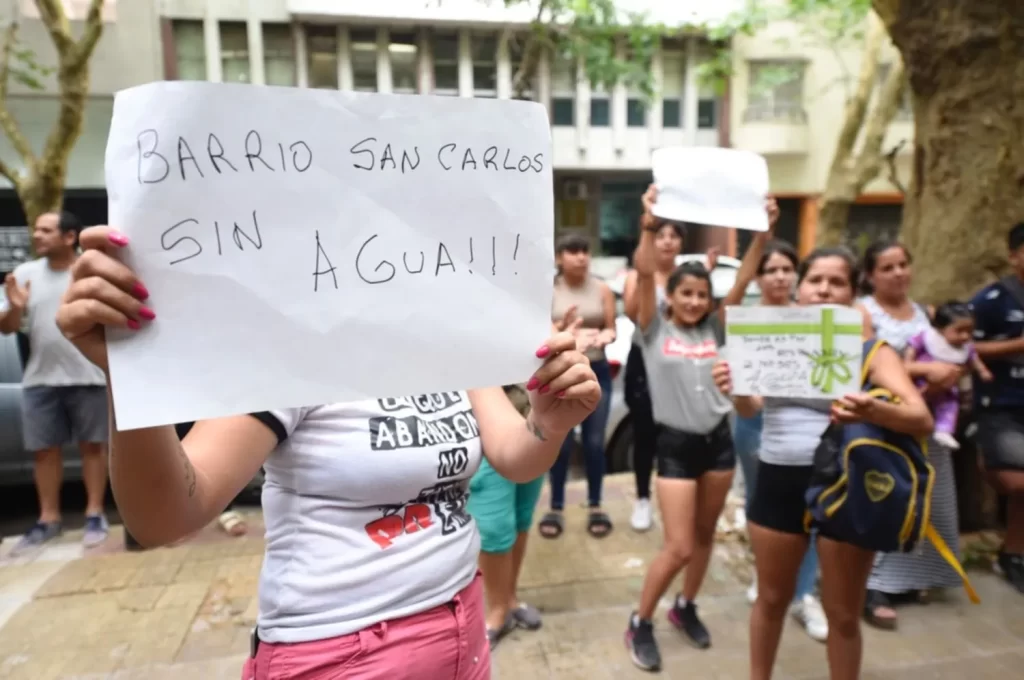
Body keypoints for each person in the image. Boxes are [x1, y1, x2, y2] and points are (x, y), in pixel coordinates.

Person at [54, 225, 601, 680]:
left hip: (462, 619)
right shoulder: (292, 349)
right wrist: (128, 379)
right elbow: (167, 516)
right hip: (339, 649)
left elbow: (513, 455)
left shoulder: (445, 338)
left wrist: (547, 426)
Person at [714, 246, 933, 680]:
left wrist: (872, 410)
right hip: (779, 476)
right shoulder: (772, 337)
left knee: (843, 613)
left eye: (837, 282)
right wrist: (735, 389)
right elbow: (749, 410)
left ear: (853, 293)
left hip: (847, 483)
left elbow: (921, 418)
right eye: (816, 280)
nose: (825, 290)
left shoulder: (871, 349)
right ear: (801, 288)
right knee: (772, 599)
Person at [624, 186, 736, 671]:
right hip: (674, 447)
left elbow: (746, 276)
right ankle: (639, 621)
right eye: (685, 293)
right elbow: (646, 272)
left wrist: (762, 236)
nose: (693, 301)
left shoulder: (713, 330)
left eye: (701, 295)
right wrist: (649, 225)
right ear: (671, 295)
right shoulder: (653, 328)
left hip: (720, 444)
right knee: (679, 546)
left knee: (706, 537)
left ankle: (685, 607)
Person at [721, 226, 827, 642]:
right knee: (760, 503)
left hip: (807, 430)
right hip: (753, 423)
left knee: (812, 507)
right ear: (759, 277)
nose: (781, 276)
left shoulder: (814, 319)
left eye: (788, 269)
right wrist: (760, 240)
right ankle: (767, 576)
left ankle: (803, 593)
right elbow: (734, 292)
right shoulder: (744, 319)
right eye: (772, 269)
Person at [857, 241, 966, 629]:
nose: (899, 273)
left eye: (903, 264)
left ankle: (912, 580)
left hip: (930, 416)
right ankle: (873, 587)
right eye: (887, 268)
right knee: (887, 496)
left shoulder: (925, 311)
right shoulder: (864, 312)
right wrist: (924, 374)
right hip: (886, 417)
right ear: (870, 275)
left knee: (925, 499)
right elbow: (869, 362)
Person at [0, 211, 110, 551]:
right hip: (40, 378)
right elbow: (6, 327)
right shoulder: (24, 274)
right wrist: (16, 307)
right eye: (36, 230)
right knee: (44, 452)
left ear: (69, 237)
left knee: (93, 446)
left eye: (46, 230)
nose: (37, 236)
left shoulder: (90, 271)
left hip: (89, 375)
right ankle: (48, 519)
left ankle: (95, 513)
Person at [538, 234, 616, 539]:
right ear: (559, 257)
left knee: (595, 443)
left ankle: (596, 503)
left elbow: (612, 326)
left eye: (584, 250)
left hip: (596, 369)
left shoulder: (602, 288)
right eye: (572, 251)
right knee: (561, 442)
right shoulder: (549, 290)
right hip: (561, 371)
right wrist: (562, 332)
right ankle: (556, 505)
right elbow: (538, 331)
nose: (580, 256)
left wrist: (605, 337)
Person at [466, 383, 545, 647]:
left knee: (522, 518)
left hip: (536, 422)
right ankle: (497, 609)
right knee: (495, 528)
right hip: (487, 428)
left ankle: (509, 598)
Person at [970, 222, 1024, 593]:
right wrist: (1015, 346)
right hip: (1000, 407)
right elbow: (963, 348)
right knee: (1016, 483)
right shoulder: (992, 300)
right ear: (1014, 255)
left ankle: (1013, 554)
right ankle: (984, 460)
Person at [622, 220, 685, 532]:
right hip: (644, 360)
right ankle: (643, 498)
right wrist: (645, 280)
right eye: (660, 235)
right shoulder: (639, 274)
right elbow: (633, 313)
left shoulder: (687, 276)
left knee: (675, 432)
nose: (667, 241)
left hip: (678, 359)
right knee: (644, 431)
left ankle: (672, 498)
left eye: (674, 236)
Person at [904, 301, 992, 450]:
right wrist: (909, 364)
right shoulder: (927, 337)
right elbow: (911, 350)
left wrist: (983, 371)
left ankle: (944, 431)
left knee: (951, 405)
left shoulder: (965, 347)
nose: (965, 336)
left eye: (969, 331)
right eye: (959, 331)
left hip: (948, 388)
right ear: (940, 328)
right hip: (920, 382)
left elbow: (974, 359)